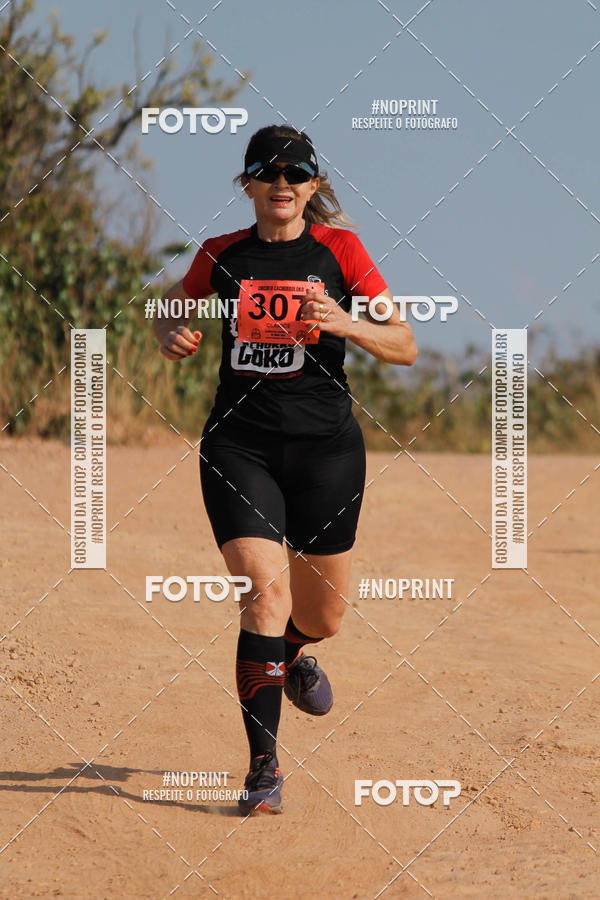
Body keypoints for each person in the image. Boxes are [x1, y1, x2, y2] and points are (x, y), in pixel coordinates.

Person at [153, 125, 417, 815]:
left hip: (327, 452)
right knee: (262, 600)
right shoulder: (222, 255)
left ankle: (292, 652)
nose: (282, 183)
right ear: (246, 183)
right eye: (267, 172)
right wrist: (168, 329)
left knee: (322, 616)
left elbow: (405, 344)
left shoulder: (341, 252)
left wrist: (345, 323)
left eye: (296, 173)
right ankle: (263, 769)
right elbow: (173, 302)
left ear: (314, 186)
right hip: (239, 449)